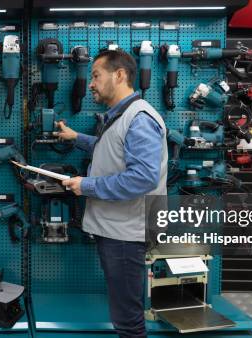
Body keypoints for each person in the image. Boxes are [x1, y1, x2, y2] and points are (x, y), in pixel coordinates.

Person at [57, 49, 168, 338]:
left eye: (95, 75)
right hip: (119, 230)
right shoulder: (123, 115)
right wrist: (77, 138)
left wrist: (87, 186)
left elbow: (143, 177)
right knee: (125, 312)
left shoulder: (139, 118)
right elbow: (112, 149)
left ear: (119, 75)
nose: (90, 83)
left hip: (127, 234)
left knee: (128, 320)